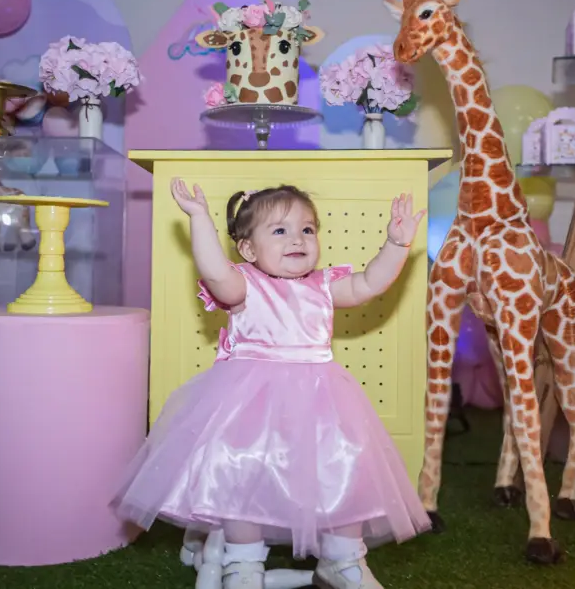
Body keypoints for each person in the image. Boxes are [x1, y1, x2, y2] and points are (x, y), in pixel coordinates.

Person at [113, 180, 431, 589]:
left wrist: (396, 245)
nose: (297, 238)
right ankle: (243, 563)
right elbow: (214, 271)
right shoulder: (244, 284)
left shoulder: (324, 286)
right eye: (280, 230)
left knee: (343, 469)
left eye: (307, 229)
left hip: (320, 403)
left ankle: (344, 559)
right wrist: (199, 219)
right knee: (241, 475)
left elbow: (369, 283)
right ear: (248, 249)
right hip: (250, 405)